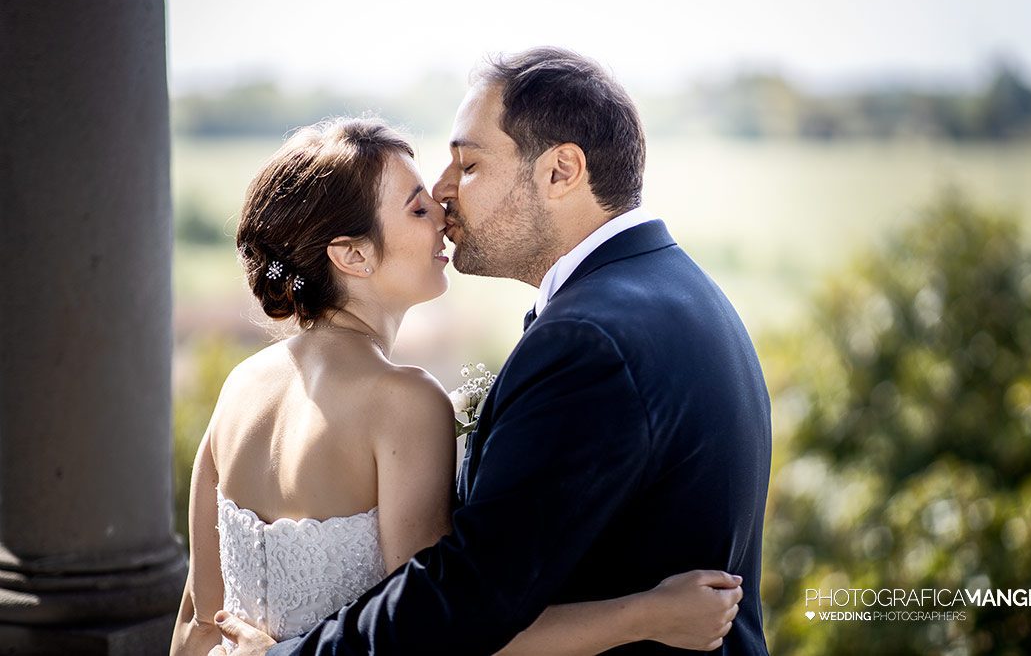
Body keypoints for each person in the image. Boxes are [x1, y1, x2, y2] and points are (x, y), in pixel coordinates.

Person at [215, 47, 772, 655]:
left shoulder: (589, 340)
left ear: (561, 171)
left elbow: (468, 600)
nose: (444, 192)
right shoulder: (677, 289)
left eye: (469, 165)